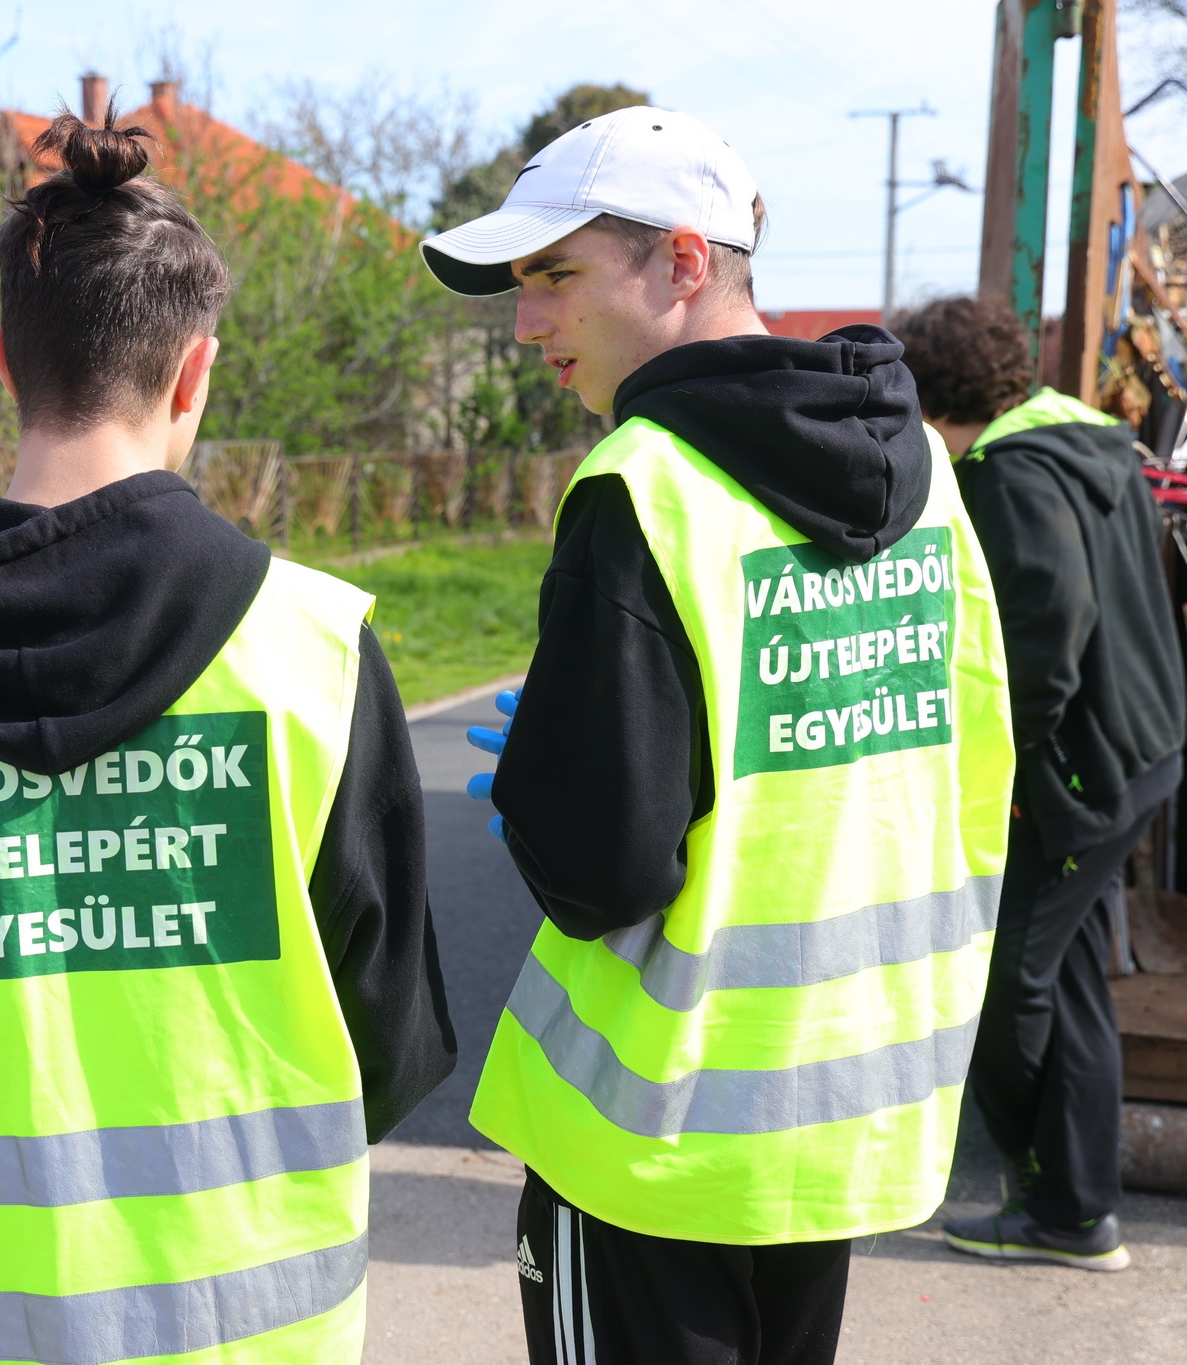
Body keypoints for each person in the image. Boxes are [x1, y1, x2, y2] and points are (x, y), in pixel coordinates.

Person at [0, 109, 456, 1365]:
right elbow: (386, 1039)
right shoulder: (310, 649)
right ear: (195, 373)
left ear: (4, 364)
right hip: (246, 1325)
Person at [423, 106, 1015, 1365]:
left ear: (683, 262)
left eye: (554, 275)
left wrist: (547, 773)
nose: (526, 323)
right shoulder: (920, 466)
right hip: (839, 1111)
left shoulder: (640, 484)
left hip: (655, 1136)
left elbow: (601, 872)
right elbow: (960, 759)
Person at [893, 295, 1186, 1273]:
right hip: (1139, 748)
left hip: (1076, 776)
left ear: (932, 401)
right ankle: (1074, 1203)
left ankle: (1053, 1197)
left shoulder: (1011, 475)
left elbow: (1044, 635)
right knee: (1067, 980)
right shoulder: (1087, 439)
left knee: (1006, 979)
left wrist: (1006, 766)